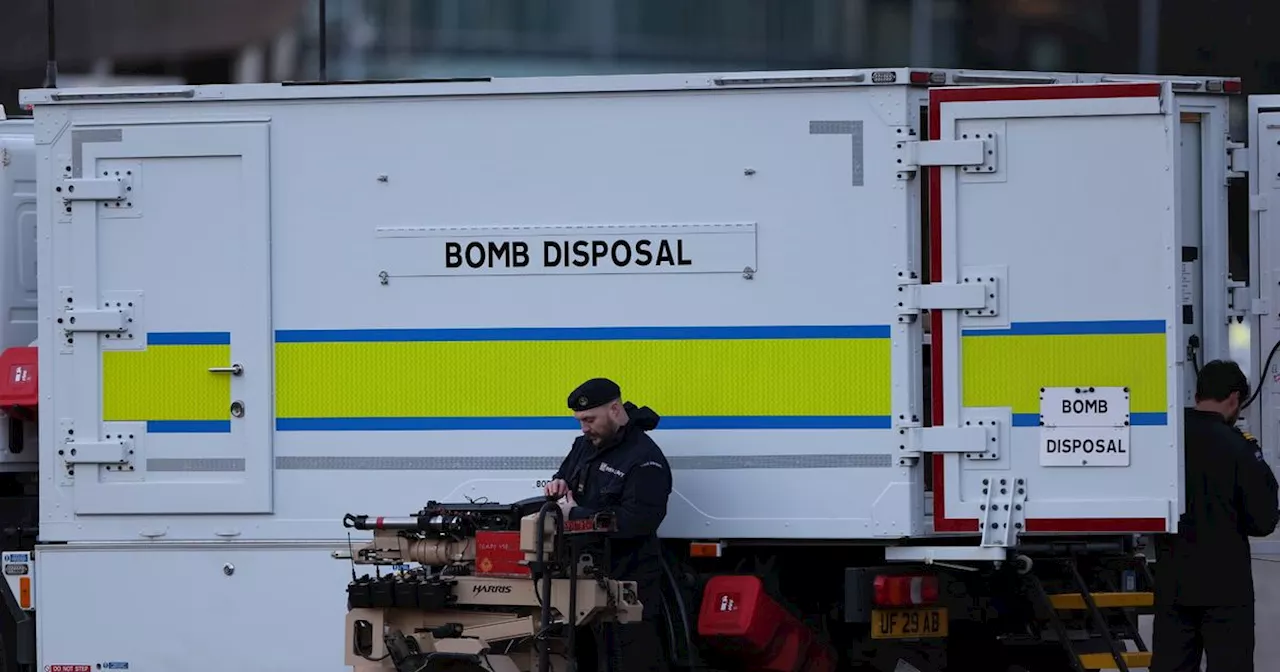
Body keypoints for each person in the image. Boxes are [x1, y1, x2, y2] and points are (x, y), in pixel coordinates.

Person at [1151, 359, 1280, 672]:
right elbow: (1263, 521)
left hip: (1173, 584)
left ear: (1197, 395)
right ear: (1234, 398)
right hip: (1226, 588)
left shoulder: (1164, 441)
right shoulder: (1239, 447)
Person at [543, 377, 672, 672]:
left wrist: (575, 517)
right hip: (584, 576)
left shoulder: (645, 459)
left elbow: (638, 521)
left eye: (589, 419)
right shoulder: (585, 445)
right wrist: (557, 484)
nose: (584, 427)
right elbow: (565, 477)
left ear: (615, 409)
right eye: (579, 420)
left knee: (631, 660)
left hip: (628, 579)